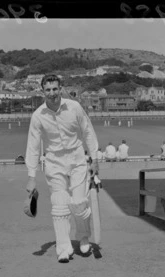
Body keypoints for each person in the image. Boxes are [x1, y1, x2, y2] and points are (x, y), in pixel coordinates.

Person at [25, 74, 99, 263]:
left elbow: (88, 131)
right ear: (43, 91)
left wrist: (95, 158)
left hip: (77, 159)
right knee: (59, 205)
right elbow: (33, 147)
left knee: (80, 202)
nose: (52, 93)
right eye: (48, 90)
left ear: (61, 88)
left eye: (55, 89)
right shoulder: (38, 116)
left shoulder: (74, 107)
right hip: (54, 162)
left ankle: (83, 237)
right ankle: (63, 248)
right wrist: (31, 176)